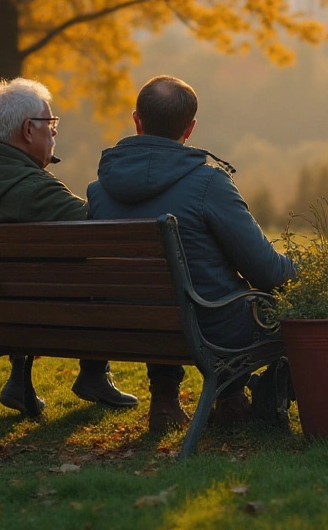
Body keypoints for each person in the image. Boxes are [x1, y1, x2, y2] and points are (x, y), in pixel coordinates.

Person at [87, 75, 295, 431]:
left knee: (162, 294)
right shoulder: (208, 183)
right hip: (210, 326)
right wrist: (308, 273)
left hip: (131, 326)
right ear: (190, 128)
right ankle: (233, 396)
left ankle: (167, 398)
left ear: (136, 120)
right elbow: (268, 271)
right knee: (262, 300)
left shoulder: (99, 192)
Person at [0, 77, 136, 413]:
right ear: (29, 131)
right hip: (45, 320)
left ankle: (20, 380)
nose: (54, 131)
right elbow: (101, 234)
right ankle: (94, 374)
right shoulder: (35, 189)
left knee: (26, 274)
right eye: (49, 123)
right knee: (92, 266)